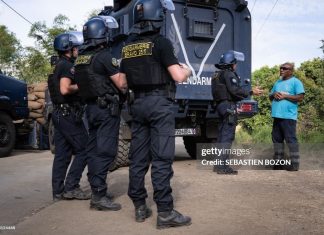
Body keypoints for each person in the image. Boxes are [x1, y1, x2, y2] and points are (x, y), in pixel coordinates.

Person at [119, 0, 192, 229]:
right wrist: (187, 70)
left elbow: (121, 82)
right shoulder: (161, 43)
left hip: (137, 105)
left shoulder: (128, 47)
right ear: (159, 17)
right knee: (161, 158)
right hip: (159, 104)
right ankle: (165, 212)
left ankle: (140, 206)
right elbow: (178, 76)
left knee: (138, 158)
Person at [74, 16, 126, 211]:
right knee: (106, 151)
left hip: (91, 109)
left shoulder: (81, 58)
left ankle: (98, 189)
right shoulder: (104, 55)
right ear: (102, 34)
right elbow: (120, 83)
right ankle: (98, 195)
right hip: (106, 109)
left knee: (94, 150)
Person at [49, 32, 90, 201]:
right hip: (67, 115)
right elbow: (65, 89)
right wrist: (81, 85)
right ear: (69, 49)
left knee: (62, 154)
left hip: (59, 114)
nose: (77, 50)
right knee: (85, 149)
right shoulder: (66, 66)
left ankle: (58, 191)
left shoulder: (57, 64)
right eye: (75, 48)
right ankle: (71, 187)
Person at [212, 50, 263, 175]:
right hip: (228, 106)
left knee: (221, 136)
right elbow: (235, 91)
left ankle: (218, 165)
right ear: (231, 64)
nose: (236, 65)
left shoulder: (216, 75)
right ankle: (222, 167)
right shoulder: (229, 74)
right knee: (227, 137)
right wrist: (251, 92)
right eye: (235, 63)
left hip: (220, 106)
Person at [269, 62, 305, 171]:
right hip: (276, 116)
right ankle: (278, 165)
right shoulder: (277, 82)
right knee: (277, 141)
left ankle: (295, 165)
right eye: (281, 68)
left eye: (284, 68)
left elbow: (300, 97)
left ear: (291, 71)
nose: (281, 70)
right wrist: (273, 94)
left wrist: (285, 96)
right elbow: (270, 97)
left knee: (291, 140)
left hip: (288, 117)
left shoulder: (296, 82)